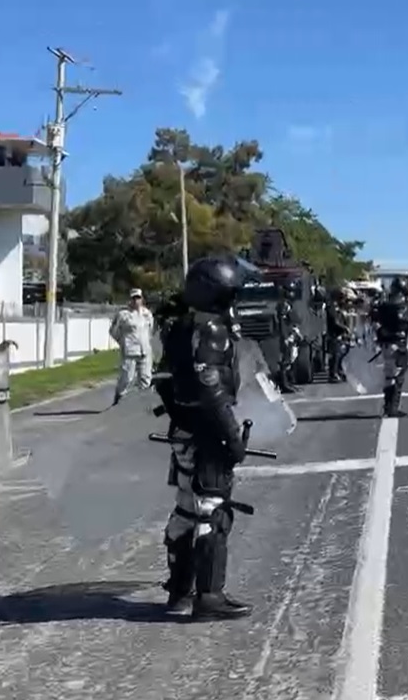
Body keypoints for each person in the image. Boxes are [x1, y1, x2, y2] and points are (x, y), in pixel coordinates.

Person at [158, 256, 254, 620]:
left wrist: (180, 418)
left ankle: (179, 591)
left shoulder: (178, 326)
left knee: (185, 509)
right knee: (214, 511)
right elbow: (210, 388)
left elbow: (164, 381)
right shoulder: (212, 329)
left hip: (183, 431)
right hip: (207, 434)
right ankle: (209, 596)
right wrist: (231, 436)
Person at [371, 277, 408, 418]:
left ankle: (388, 406)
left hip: (387, 344)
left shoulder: (383, 306)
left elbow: (375, 321)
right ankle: (392, 407)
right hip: (398, 344)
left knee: (390, 376)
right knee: (397, 377)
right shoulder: (405, 307)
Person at [109, 289, 155, 406]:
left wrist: (147, 341)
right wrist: (122, 342)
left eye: (138, 298)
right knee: (127, 378)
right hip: (130, 351)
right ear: (129, 300)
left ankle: (141, 403)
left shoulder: (147, 314)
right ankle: (119, 396)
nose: (136, 301)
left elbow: (150, 329)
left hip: (145, 350)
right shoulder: (123, 315)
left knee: (146, 378)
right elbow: (113, 331)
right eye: (133, 298)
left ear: (142, 299)